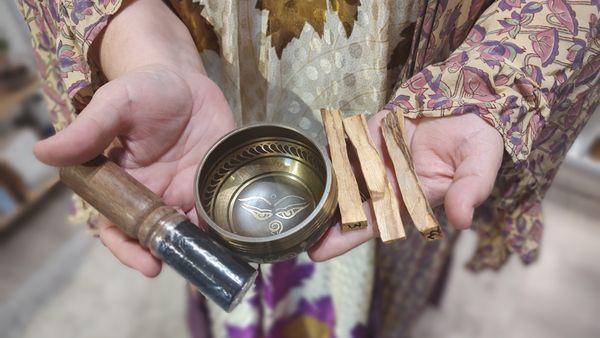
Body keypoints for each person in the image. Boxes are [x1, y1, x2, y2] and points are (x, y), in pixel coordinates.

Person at [16, 0, 598, 336]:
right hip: (204, 106)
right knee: (231, 278)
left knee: (382, 275)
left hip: (409, 107)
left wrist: (480, 86)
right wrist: (143, 45)